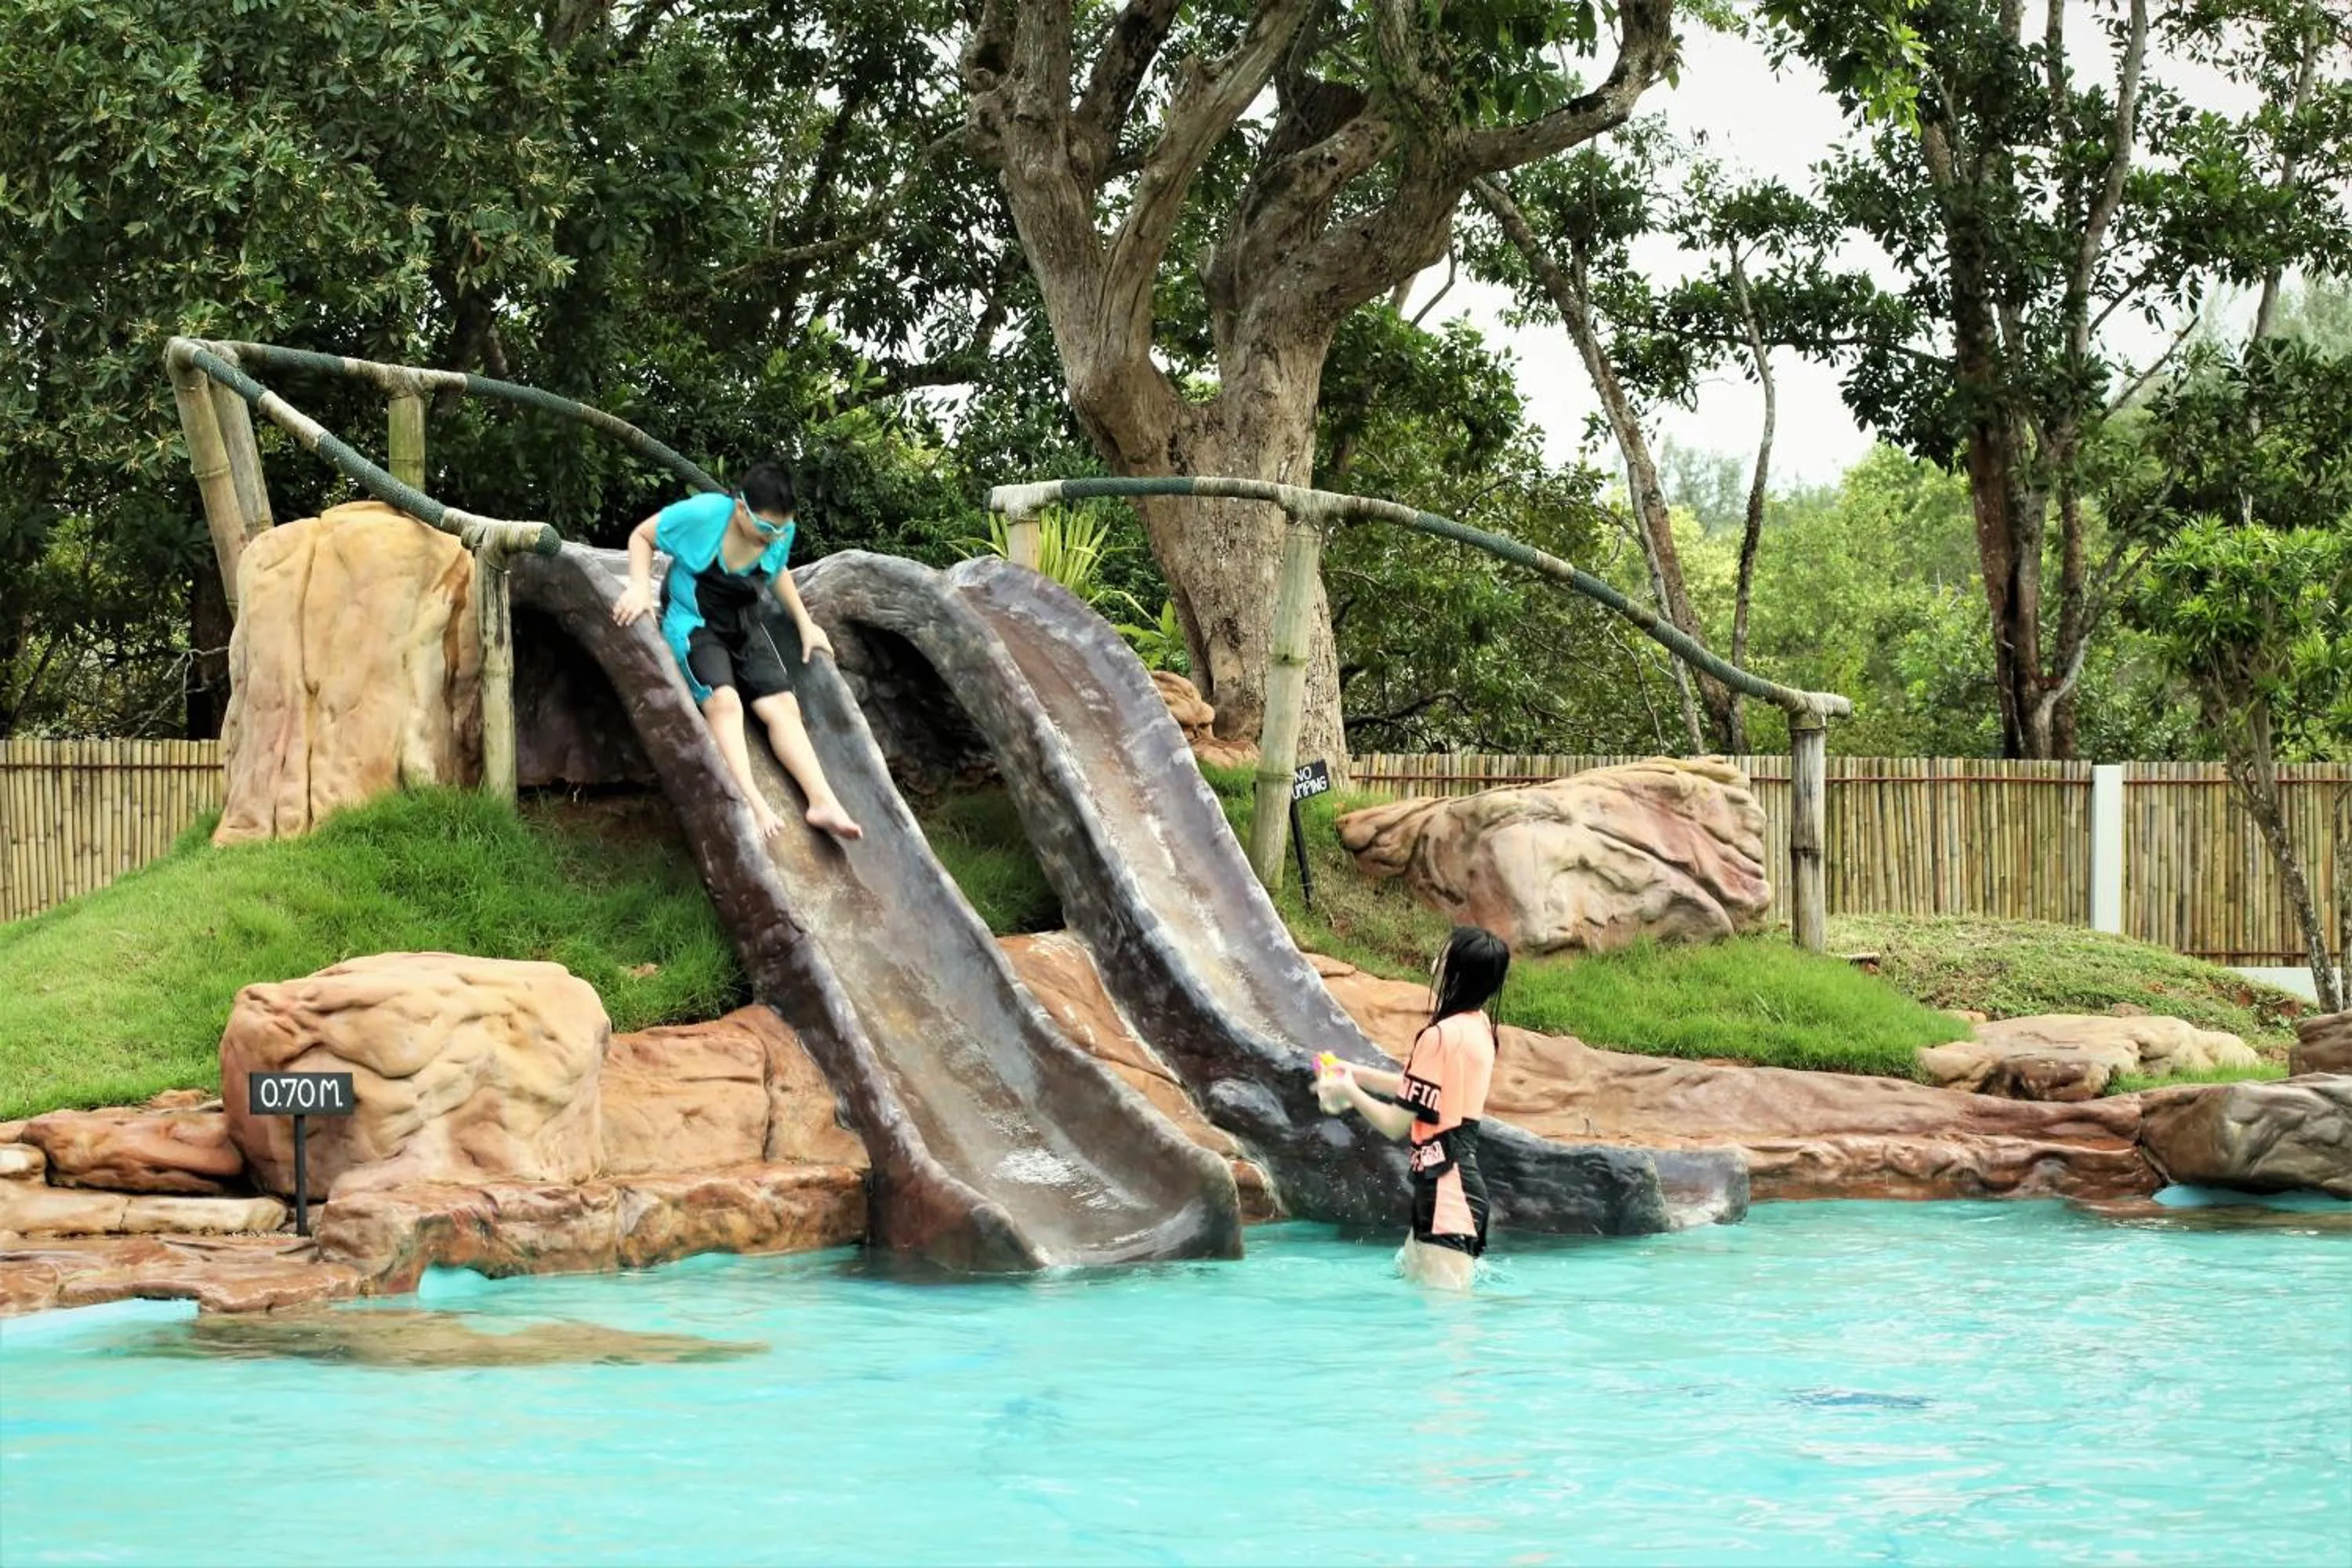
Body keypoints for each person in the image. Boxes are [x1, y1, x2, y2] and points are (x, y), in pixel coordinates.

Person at [611, 463, 863, 842]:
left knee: (782, 706)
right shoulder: (704, 515)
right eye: (766, 528)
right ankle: (750, 798)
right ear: (741, 508)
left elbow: (777, 572)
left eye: (782, 529)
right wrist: (639, 588)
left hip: (744, 624)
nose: (774, 537)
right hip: (694, 622)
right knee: (725, 702)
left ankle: (821, 800)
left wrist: (805, 623)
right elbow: (642, 537)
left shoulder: (777, 534)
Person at [1315, 925, 1507, 1289]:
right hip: (1453, 1188)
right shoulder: (1479, 1027)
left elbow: (1393, 1123)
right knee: (1421, 1302)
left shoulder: (1438, 1037)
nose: (1435, 961)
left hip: (1447, 1194)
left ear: (1457, 972)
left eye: (1443, 956)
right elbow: (1425, 1093)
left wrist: (1348, 1091)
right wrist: (1355, 1072)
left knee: (1448, 1330)